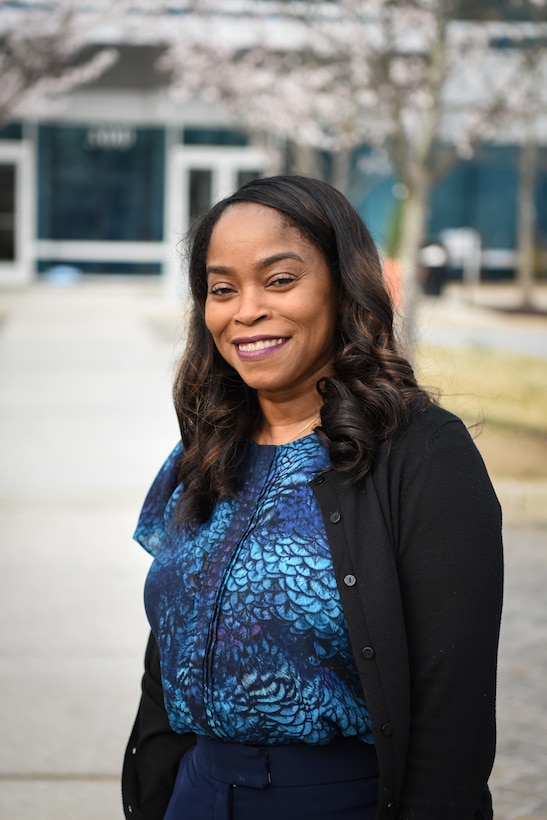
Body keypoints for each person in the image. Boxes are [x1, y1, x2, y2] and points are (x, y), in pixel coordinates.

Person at [122, 175, 503, 820]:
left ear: (343, 285)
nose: (245, 310)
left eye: (279, 280)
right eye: (221, 289)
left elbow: (453, 711)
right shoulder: (205, 452)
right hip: (196, 796)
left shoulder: (422, 455)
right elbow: (170, 652)